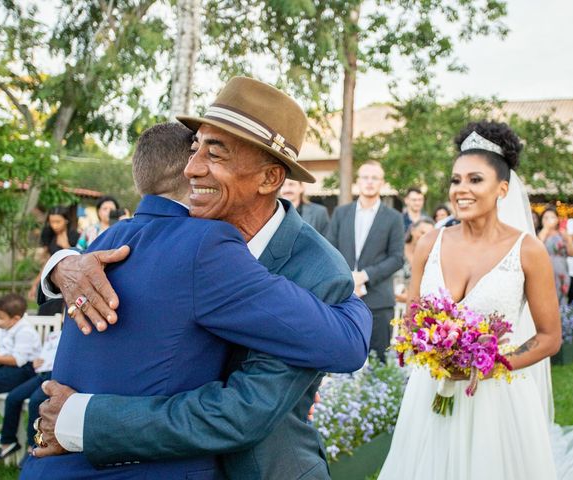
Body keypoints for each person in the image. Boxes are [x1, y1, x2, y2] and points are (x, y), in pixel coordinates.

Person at [25, 79, 371, 479]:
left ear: (270, 178)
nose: (191, 168)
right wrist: (64, 264)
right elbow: (127, 242)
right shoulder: (190, 227)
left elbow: (243, 412)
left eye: (216, 153)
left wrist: (82, 420)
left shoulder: (317, 269)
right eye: (195, 148)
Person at [380, 121, 573, 480]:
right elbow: (412, 318)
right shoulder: (429, 244)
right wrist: (430, 347)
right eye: (456, 180)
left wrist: (489, 365)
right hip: (430, 392)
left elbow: (549, 337)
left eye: (475, 180)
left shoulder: (528, 251)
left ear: (502, 188)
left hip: (496, 400)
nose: (461, 190)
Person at [327, 161, 404, 361]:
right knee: (340, 361)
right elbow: (329, 249)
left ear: (382, 183)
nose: (369, 182)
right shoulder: (341, 213)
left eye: (375, 178)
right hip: (342, 298)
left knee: (378, 364)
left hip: (378, 301)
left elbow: (397, 258)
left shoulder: (394, 218)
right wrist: (347, 276)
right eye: (365, 177)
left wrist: (365, 275)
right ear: (357, 182)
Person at [0, 329, 61, 465]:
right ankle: (8, 442)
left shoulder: (76, 337)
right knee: (13, 398)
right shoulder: (54, 335)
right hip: (40, 373)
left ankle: (32, 447)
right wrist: (36, 361)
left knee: (35, 401)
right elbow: (42, 352)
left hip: (56, 377)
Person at [0, 293, 41, 453]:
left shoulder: (24, 331)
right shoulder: (3, 329)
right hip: (8, 369)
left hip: (25, 372)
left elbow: (18, 360)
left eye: (0, 318)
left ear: (15, 319)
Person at [27, 207, 80, 301]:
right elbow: (48, 261)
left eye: (58, 222)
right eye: (52, 222)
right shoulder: (49, 234)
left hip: (70, 278)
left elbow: (77, 258)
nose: (54, 225)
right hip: (51, 277)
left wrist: (66, 245)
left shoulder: (74, 236)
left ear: (66, 220)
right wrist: (35, 284)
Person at [538, 206, 573, 305]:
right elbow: (538, 249)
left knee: (561, 299)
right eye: (546, 217)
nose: (549, 220)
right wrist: (546, 229)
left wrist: (568, 239)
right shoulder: (539, 234)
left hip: (561, 270)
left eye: (552, 217)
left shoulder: (562, 234)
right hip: (544, 271)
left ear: (557, 219)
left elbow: (572, 253)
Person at [395, 218, 435, 303]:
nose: (425, 236)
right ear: (412, 231)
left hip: (419, 304)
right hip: (393, 301)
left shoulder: (433, 257)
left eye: (429, 234)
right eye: (422, 232)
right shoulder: (397, 249)